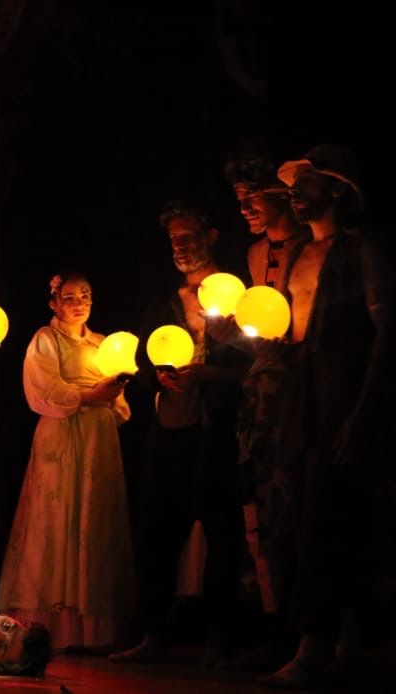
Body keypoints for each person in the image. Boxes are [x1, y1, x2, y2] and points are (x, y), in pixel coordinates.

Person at [260, 145, 394, 689]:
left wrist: (364, 411)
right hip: (306, 399)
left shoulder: (364, 249)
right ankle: (341, 644)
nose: (295, 191)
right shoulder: (298, 254)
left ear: (338, 188)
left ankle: (323, 645)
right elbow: (292, 334)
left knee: (337, 520)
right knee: (305, 516)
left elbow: (388, 331)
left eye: (309, 181)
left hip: (345, 397)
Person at [110, 202, 249, 667]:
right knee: (157, 534)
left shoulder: (239, 297)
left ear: (211, 236)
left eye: (188, 236)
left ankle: (222, 638)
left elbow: (257, 363)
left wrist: (208, 373)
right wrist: (160, 378)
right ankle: (154, 634)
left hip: (219, 430)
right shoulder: (165, 304)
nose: (180, 247)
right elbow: (143, 361)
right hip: (171, 430)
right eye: (173, 240)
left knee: (223, 535)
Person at [0, 272, 134, 651]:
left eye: (85, 296)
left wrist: (112, 393)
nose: (79, 304)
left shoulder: (103, 343)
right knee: (56, 515)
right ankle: (55, 623)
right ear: (54, 303)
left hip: (98, 436)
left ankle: (95, 626)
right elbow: (43, 389)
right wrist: (89, 396)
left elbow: (119, 402)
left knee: (93, 515)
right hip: (62, 431)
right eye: (70, 297)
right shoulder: (47, 339)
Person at [219, 143, 309, 668]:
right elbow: (262, 333)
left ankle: (306, 633)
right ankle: (275, 627)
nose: (244, 208)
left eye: (253, 196)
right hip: (260, 394)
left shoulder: (311, 248)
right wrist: (232, 335)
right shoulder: (256, 256)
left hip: (297, 394)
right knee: (258, 513)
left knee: (294, 506)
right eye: (238, 198)